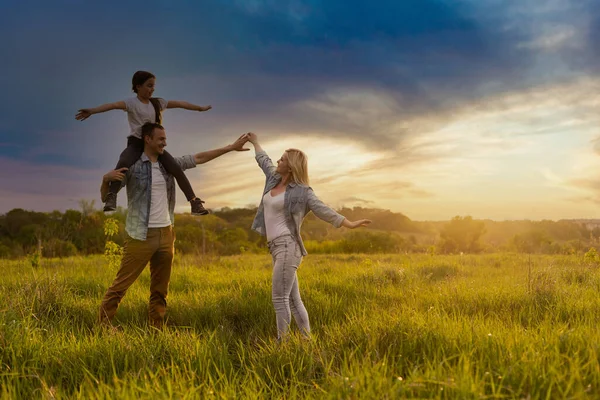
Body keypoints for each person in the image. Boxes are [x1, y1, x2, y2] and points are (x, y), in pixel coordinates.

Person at [98, 122, 249, 328]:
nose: (165, 143)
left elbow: (199, 158)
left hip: (166, 234)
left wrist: (230, 148)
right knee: (120, 286)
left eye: (165, 139)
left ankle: (156, 328)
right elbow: (106, 196)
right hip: (140, 236)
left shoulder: (169, 165)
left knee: (160, 289)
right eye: (160, 139)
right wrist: (105, 180)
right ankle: (103, 326)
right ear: (147, 139)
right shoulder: (131, 167)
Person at [246, 132, 372, 341]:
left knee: (279, 299)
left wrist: (348, 223)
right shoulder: (273, 179)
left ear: (292, 165)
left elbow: (322, 209)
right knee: (294, 301)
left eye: (283, 158)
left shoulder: (303, 192)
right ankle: (307, 341)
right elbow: (263, 160)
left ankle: (282, 347)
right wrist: (255, 142)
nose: (278, 160)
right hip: (276, 249)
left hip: (288, 246)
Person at [76, 70, 212, 215]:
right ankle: (111, 196)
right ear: (138, 86)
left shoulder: (157, 103)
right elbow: (112, 105)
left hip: (153, 145)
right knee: (123, 164)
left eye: (153, 86)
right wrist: (92, 110)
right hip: (136, 143)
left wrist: (199, 108)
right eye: (149, 86)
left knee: (176, 168)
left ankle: (194, 202)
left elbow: (179, 103)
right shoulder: (131, 103)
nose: (152, 89)